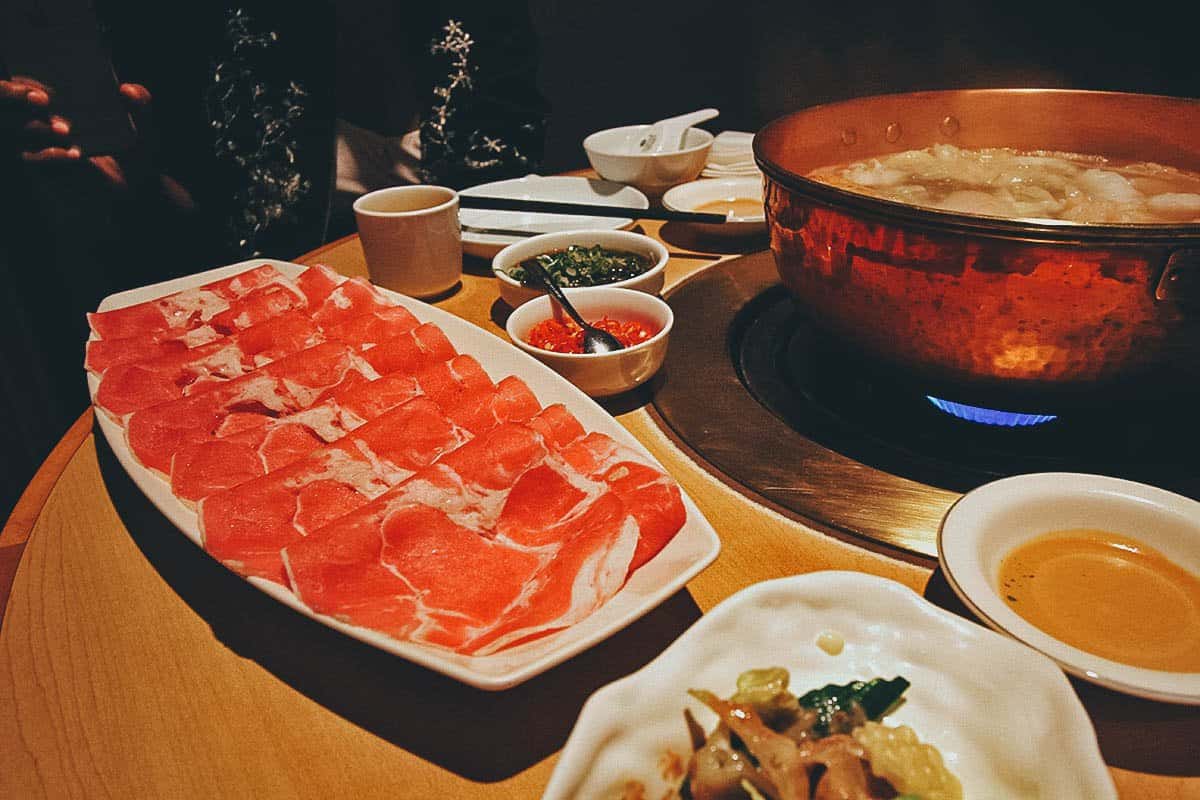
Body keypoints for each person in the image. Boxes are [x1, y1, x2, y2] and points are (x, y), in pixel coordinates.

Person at [0, 0, 548, 522]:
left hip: (478, 305)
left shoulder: (482, 18)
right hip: (291, 322)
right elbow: (199, 225)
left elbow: (520, 183)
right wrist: (135, 181)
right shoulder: (218, 29)